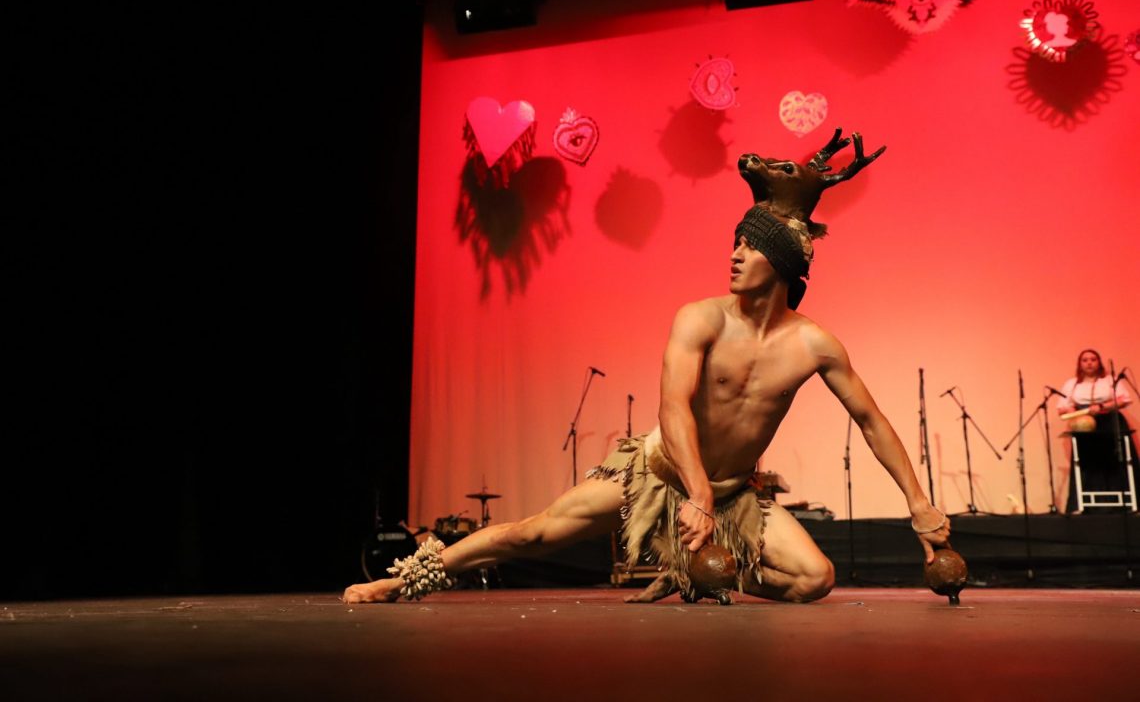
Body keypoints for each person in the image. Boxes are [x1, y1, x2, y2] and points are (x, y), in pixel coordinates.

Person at [343, 201, 951, 605]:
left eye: (751, 247)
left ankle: (694, 574)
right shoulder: (702, 318)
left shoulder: (815, 345)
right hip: (657, 473)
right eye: (735, 243)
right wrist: (696, 493)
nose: (735, 254)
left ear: (786, 266)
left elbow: (871, 422)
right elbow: (673, 408)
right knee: (534, 534)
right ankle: (405, 580)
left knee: (814, 580)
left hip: (731, 494)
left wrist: (919, 504)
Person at [1056, 349, 1136, 514]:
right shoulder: (1072, 384)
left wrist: (1101, 406)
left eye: (1093, 359)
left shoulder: (1109, 380)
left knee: (1116, 460)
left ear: (1099, 362)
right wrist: (1073, 410)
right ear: (1080, 364)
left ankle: (1126, 504)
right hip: (1084, 424)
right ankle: (1085, 505)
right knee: (1087, 462)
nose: (1089, 363)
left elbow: (1124, 399)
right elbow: (1062, 407)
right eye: (1085, 360)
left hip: (1110, 421)